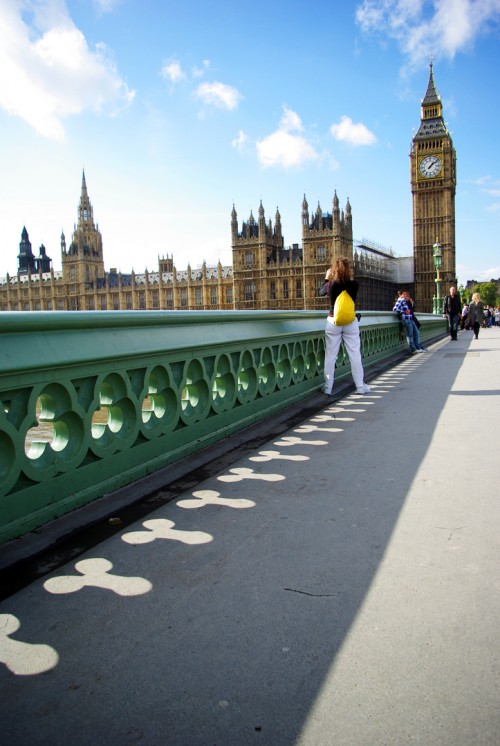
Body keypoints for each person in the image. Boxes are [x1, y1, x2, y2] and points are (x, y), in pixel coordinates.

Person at [321, 256, 371, 396]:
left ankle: (328, 388)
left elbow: (321, 292)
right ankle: (360, 387)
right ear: (349, 270)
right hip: (350, 322)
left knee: (331, 356)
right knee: (354, 355)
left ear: (334, 270)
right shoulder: (354, 285)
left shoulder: (330, 285)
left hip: (333, 322)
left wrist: (327, 278)